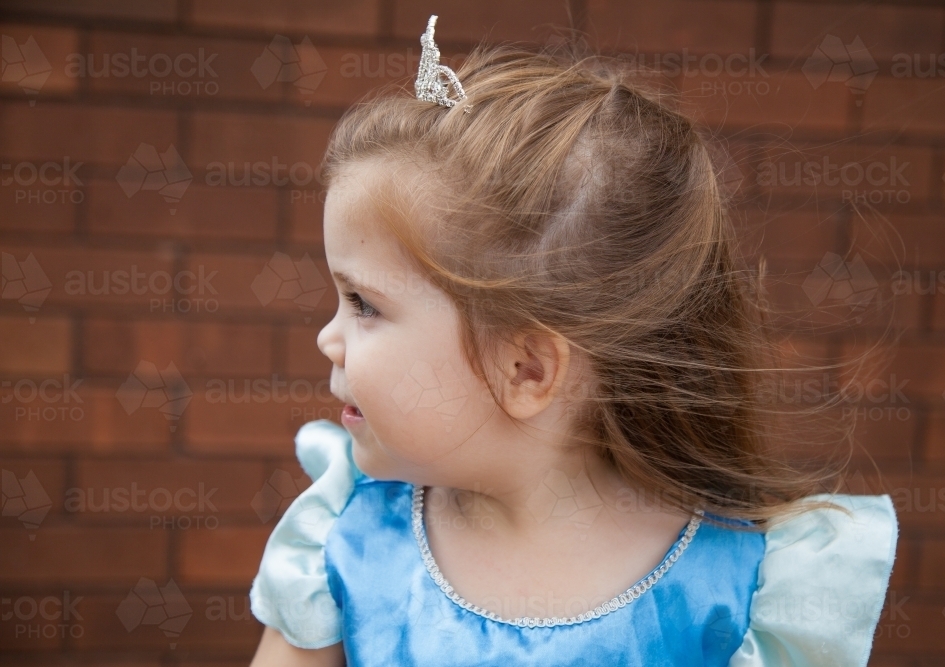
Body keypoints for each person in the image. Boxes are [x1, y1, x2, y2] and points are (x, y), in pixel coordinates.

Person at [248, 15, 898, 667]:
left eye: (364, 303)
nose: (327, 337)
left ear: (526, 368)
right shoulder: (342, 544)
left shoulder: (750, 592)